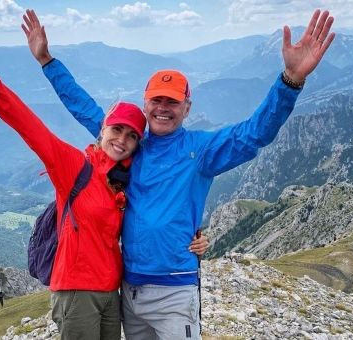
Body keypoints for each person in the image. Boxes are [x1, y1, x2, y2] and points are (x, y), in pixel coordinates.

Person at [21, 8, 335, 339]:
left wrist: (290, 81)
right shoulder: (130, 145)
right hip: (129, 289)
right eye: (156, 99)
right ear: (145, 105)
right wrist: (47, 62)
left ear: (187, 108)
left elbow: (254, 134)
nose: (163, 108)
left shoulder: (201, 151)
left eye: (172, 102)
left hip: (175, 290)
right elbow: (83, 106)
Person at [0, 16, 148, 339]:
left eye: (132, 136)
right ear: (103, 130)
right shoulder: (73, 165)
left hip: (110, 292)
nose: (122, 140)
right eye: (117, 130)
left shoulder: (125, 177)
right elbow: (23, 119)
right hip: (76, 291)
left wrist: (194, 235)